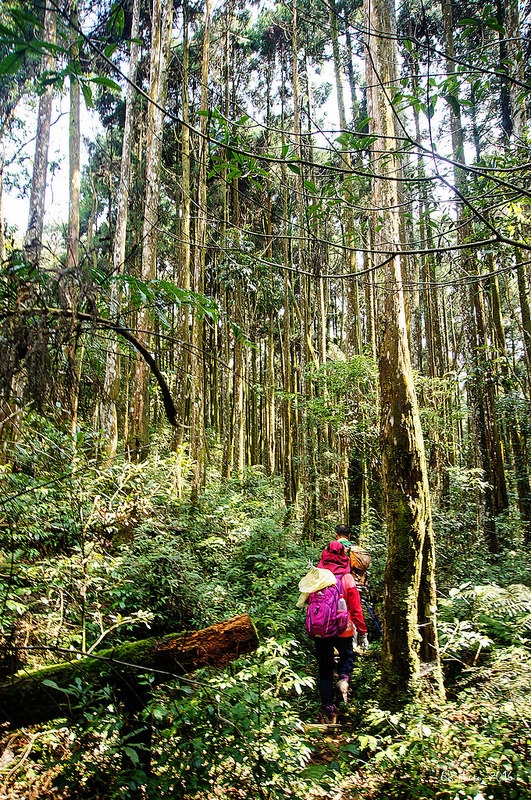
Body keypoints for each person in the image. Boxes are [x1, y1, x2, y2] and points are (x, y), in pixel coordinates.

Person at [314, 539, 368, 723]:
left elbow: (308, 602)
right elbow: (356, 608)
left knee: (324, 668)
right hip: (344, 628)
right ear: (343, 557)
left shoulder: (317, 574)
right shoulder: (347, 578)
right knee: (347, 656)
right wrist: (362, 631)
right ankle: (344, 679)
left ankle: (329, 708)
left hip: (321, 628)